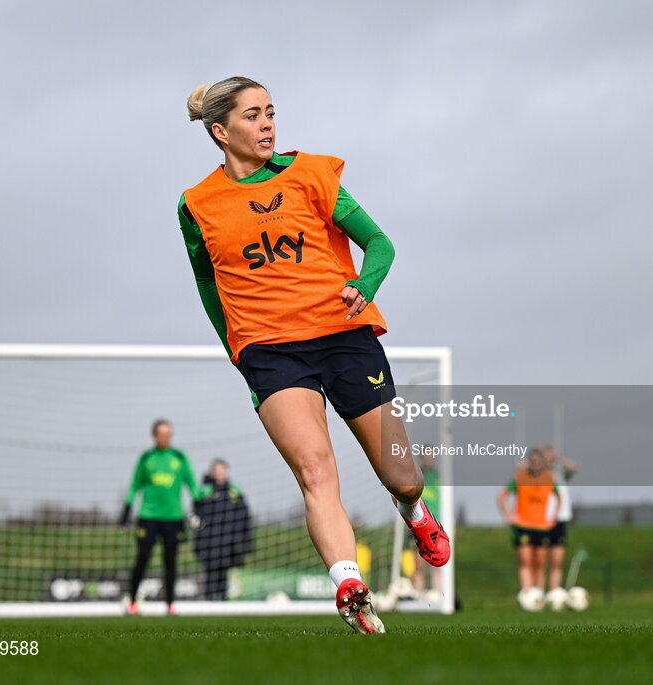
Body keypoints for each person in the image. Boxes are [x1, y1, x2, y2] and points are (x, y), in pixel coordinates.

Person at [179, 77, 449, 633]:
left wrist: (365, 286)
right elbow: (208, 284)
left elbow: (380, 243)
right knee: (314, 469)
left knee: (402, 476)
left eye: (271, 113)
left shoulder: (311, 174)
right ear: (219, 131)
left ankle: (414, 512)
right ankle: (348, 584)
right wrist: (235, 344)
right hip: (271, 352)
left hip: (344, 334)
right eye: (253, 116)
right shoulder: (196, 204)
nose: (267, 125)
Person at [120, 419, 202, 616]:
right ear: (154, 435)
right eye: (162, 434)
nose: (166, 438)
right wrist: (126, 509)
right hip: (148, 517)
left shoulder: (179, 458)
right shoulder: (147, 458)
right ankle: (132, 601)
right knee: (142, 559)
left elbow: (191, 483)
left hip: (174, 518)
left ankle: (170, 604)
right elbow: (134, 485)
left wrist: (198, 505)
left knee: (171, 561)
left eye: (168, 434)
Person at [497, 448, 562, 609]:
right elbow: (502, 496)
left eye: (538, 461)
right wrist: (508, 516)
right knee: (525, 560)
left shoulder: (549, 478)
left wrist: (554, 516)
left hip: (541, 526)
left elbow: (559, 497)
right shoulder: (520, 477)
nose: (535, 463)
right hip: (523, 525)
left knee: (539, 561)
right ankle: (526, 595)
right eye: (532, 460)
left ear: (543, 462)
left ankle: (538, 595)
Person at [193, 459, 254, 601]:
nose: (220, 473)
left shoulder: (235, 491)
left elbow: (245, 518)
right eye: (217, 470)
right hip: (209, 543)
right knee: (211, 574)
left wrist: (246, 543)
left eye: (222, 470)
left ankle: (223, 601)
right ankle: (208, 602)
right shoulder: (204, 492)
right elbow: (196, 519)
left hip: (229, 543)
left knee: (224, 575)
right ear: (212, 472)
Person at [543, 445, 577, 607]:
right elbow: (520, 468)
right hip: (541, 520)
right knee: (540, 560)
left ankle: (554, 593)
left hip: (560, 519)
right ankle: (539, 594)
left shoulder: (560, 475)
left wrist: (558, 459)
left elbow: (572, 467)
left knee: (556, 561)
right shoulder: (538, 474)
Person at [410, 448, 442, 600]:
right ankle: (419, 593)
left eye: (431, 456)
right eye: (425, 456)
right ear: (421, 458)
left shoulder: (439, 478)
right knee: (419, 563)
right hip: (416, 523)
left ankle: (438, 592)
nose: (428, 458)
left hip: (436, 524)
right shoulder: (415, 477)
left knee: (437, 560)